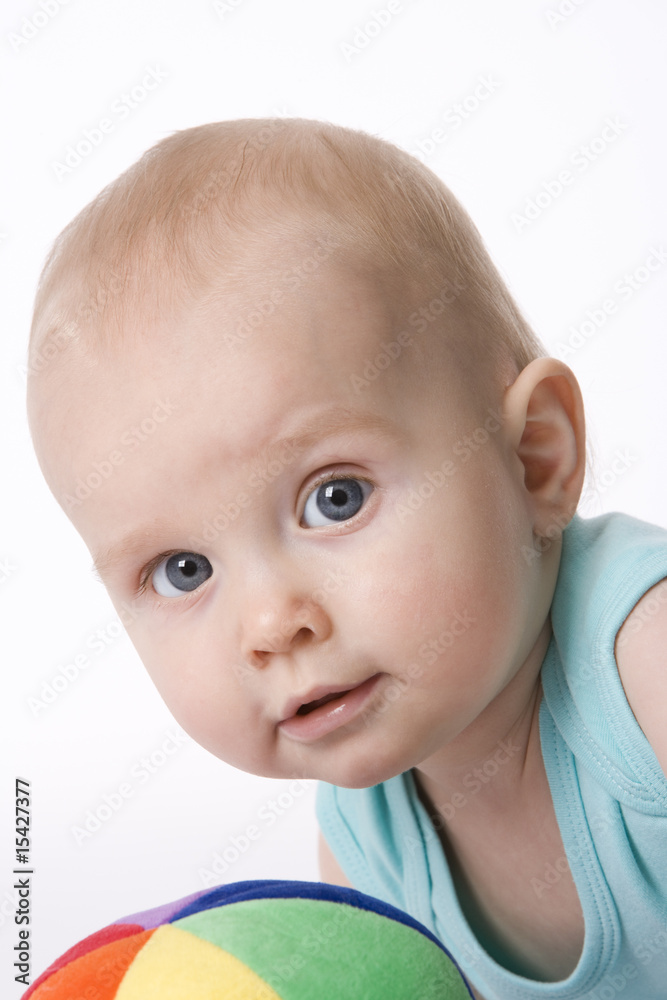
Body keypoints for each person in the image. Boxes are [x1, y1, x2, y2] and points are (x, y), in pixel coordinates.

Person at [26, 118, 667, 1000]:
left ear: (533, 461)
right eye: (183, 570)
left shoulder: (643, 668)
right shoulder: (364, 841)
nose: (270, 624)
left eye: (336, 498)